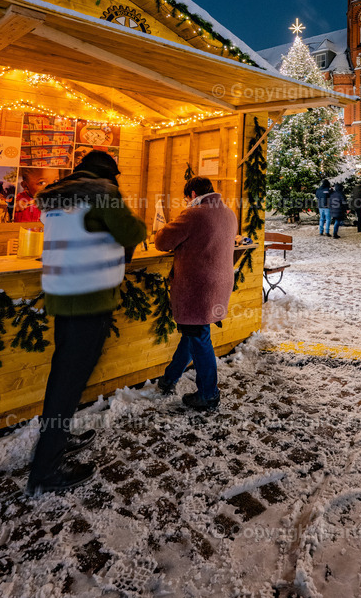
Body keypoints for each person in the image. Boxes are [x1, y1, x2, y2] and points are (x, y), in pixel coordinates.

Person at [27, 151, 147, 495]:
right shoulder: (103, 194)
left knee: (65, 374)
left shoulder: (58, 195)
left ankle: (58, 437)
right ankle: (46, 468)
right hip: (91, 299)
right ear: (109, 175)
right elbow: (132, 231)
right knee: (68, 381)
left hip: (62, 295)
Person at [155, 176, 237, 408]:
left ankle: (208, 394)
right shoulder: (229, 213)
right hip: (219, 284)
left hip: (198, 287)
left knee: (199, 336)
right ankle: (170, 378)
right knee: (193, 332)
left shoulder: (193, 214)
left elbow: (162, 241)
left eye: (186, 198)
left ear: (192, 195)